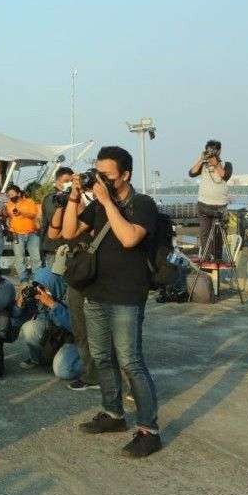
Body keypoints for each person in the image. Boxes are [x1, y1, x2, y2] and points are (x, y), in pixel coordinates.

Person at [62, 145, 162, 458]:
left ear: (125, 175)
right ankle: (114, 413)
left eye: (108, 174)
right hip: (96, 293)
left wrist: (106, 201)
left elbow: (130, 237)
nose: (101, 179)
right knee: (101, 357)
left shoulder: (142, 203)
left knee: (130, 362)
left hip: (127, 296)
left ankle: (149, 430)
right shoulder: (97, 204)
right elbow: (68, 232)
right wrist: (76, 196)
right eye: (98, 173)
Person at [46, 200, 100, 392]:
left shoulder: (93, 211)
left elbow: (92, 228)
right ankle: (92, 373)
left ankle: (104, 371)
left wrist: (80, 205)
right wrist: (63, 206)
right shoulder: (68, 216)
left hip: (95, 277)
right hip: (75, 278)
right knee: (79, 328)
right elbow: (53, 234)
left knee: (97, 326)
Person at [14, 265, 82, 381]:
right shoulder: (42, 296)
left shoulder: (73, 295)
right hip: (58, 335)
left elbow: (77, 328)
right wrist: (20, 305)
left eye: (44, 287)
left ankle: (94, 366)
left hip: (76, 339)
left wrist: (53, 305)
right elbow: (18, 321)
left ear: (55, 285)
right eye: (38, 286)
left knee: (63, 370)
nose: (41, 290)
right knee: (29, 328)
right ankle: (38, 359)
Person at [188, 140, 233, 261]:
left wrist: (216, 164)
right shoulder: (203, 165)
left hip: (220, 207)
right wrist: (201, 159)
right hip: (204, 205)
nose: (211, 153)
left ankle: (217, 259)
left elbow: (225, 176)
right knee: (204, 234)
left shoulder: (227, 164)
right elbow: (191, 173)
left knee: (219, 235)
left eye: (213, 150)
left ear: (219, 151)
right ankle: (206, 258)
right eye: (208, 150)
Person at [5, 184, 41, 282]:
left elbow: (33, 214)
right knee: (19, 258)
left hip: (32, 234)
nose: (11, 196)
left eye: (12, 194)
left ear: (19, 193)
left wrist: (21, 212)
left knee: (36, 257)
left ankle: (37, 279)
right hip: (16, 234)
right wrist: (8, 219)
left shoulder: (29, 202)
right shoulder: (8, 204)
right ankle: (23, 279)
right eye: (9, 195)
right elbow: (9, 216)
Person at [40, 168, 74, 267]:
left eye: (71, 181)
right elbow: (54, 221)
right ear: (57, 182)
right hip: (54, 248)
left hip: (67, 247)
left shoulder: (70, 197)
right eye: (66, 181)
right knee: (56, 280)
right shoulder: (52, 198)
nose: (70, 184)